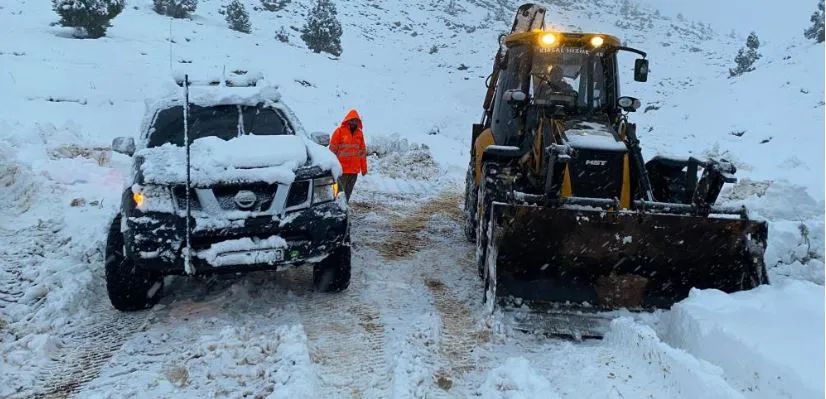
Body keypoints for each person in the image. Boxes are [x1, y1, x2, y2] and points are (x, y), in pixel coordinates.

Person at [329, 109, 368, 201]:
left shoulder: (359, 134)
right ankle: (334, 205)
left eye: (355, 120)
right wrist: (331, 167)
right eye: (352, 120)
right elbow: (332, 151)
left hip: (354, 171)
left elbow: (362, 152)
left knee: (348, 192)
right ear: (348, 120)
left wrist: (364, 168)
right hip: (341, 170)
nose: (353, 122)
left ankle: (344, 206)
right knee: (337, 191)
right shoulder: (339, 132)